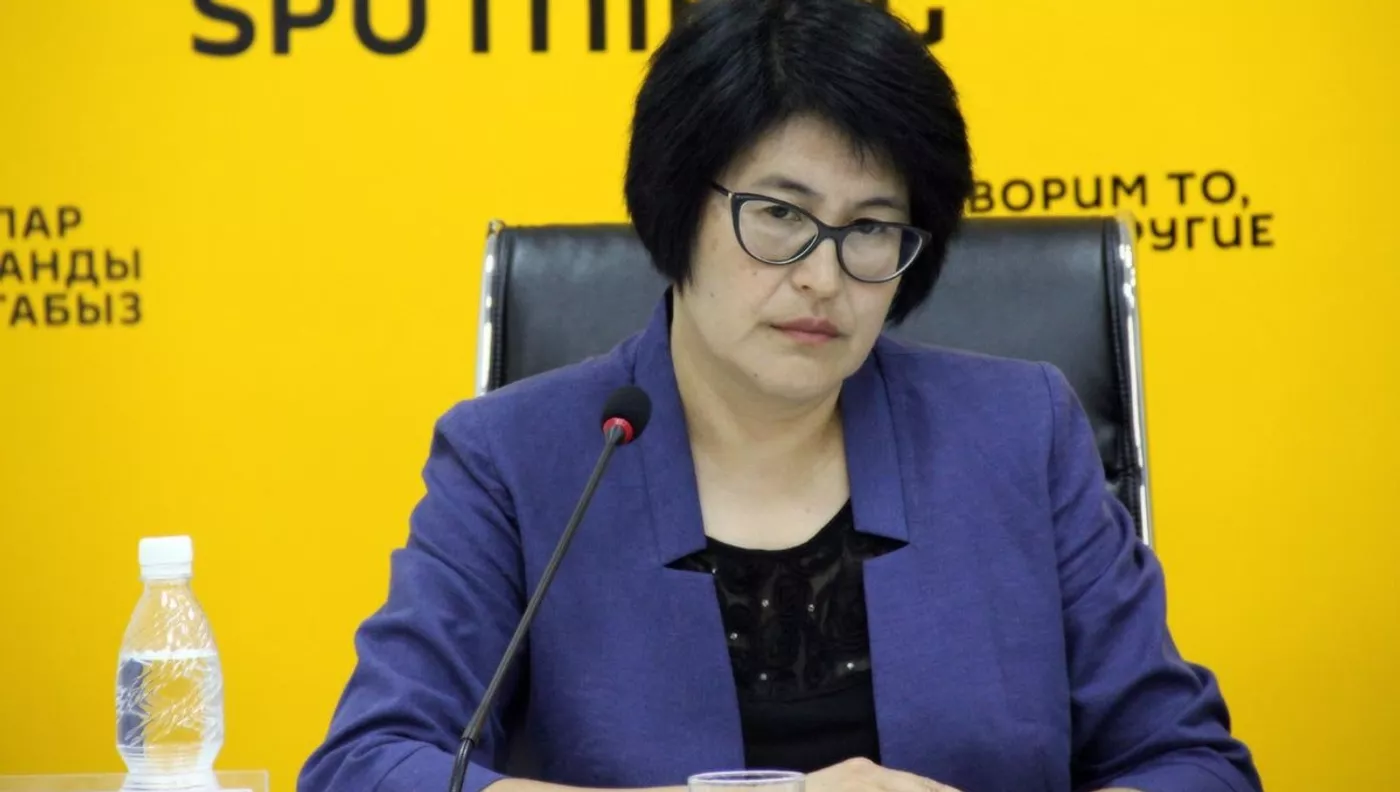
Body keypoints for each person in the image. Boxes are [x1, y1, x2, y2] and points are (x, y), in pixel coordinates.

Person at [299, 1, 1262, 791]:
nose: (822, 277)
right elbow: (366, 766)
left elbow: (1192, 765)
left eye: (870, 228)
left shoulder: (1018, 434)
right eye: (779, 214)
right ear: (677, 204)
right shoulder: (517, 459)